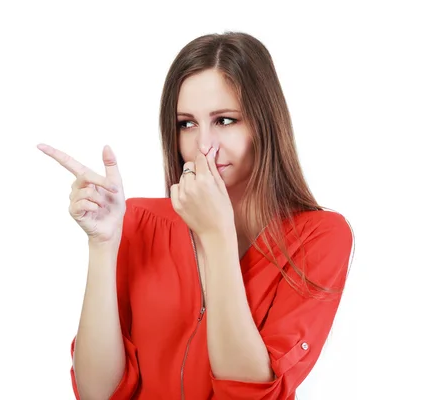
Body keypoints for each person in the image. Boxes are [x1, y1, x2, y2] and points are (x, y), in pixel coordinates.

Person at [38, 31, 354, 400]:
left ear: (264, 123)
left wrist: (218, 235)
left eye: (225, 120)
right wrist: (103, 245)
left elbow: (250, 393)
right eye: (186, 124)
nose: (203, 145)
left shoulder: (319, 237)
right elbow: (97, 393)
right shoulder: (138, 220)